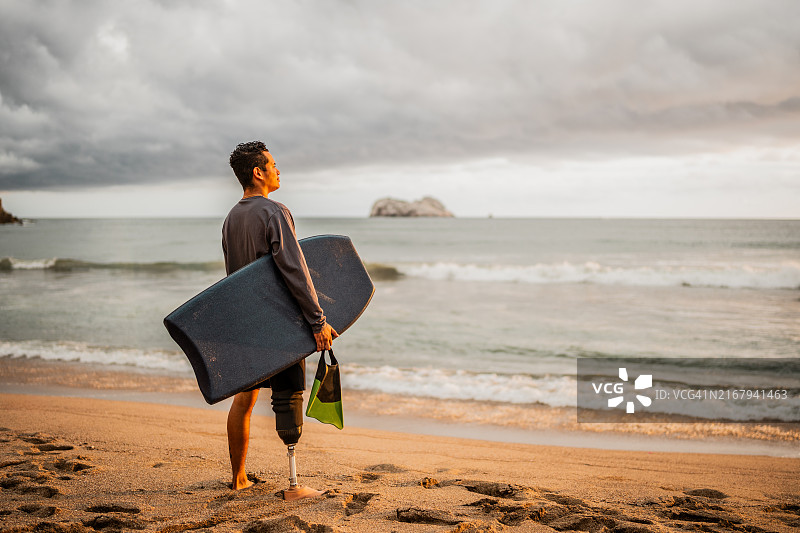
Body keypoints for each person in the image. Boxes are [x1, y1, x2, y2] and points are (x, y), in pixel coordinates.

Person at [222, 141, 337, 494]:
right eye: (273, 164)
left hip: (246, 322)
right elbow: (294, 270)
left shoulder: (231, 218)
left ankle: (239, 477)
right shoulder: (274, 212)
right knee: (288, 399)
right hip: (278, 324)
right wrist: (317, 321)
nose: (278, 169)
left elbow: (233, 275)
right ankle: (293, 484)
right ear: (258, 172)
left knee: (246, 398)